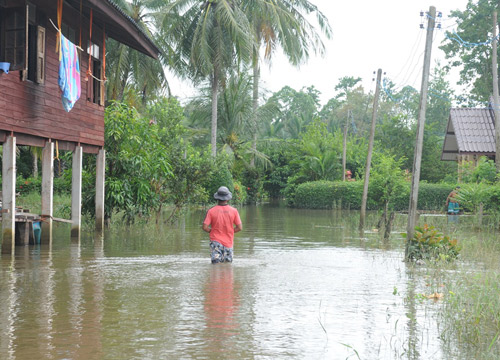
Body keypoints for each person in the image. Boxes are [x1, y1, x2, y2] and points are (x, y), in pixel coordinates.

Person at [203, 186, 242, 264]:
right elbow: (239, 228)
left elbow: (205, 227)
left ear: (217, 198)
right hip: (228, 243)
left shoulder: (211, 211)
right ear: (227, 198)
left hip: (215, 242)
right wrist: (229, 231)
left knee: (215, 266)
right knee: (227, 267)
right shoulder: (234, 211)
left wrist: (212, 231)